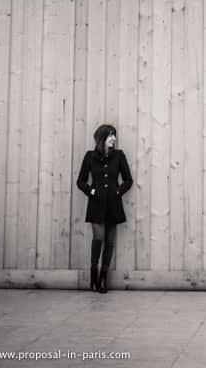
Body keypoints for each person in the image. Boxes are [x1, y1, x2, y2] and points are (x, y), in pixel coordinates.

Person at [77, 123, 133, 293]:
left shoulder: (119, 156)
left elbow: (128, 180)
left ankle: (103, 279)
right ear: (101, 138)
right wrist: (91, 191)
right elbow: (80, 181)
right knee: (98, 238)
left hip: (114, 205)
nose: (114, 139)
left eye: (114, 136)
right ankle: (93, 274)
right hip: (96, 204)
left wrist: (118, 191)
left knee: (109, 242)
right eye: (110, 136)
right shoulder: (89, 156)